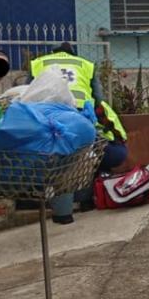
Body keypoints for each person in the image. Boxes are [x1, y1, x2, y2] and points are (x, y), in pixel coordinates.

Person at [28, 43, 125, 223]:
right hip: (80, 116)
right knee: (84, 156)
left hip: (47, 116)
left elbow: (27, 94)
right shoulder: (85, 64)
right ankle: (85, 201)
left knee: (58, 160)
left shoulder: (38, 63)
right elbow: (98, 98)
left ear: (53, 53)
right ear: (72, 53)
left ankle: (61, 212)